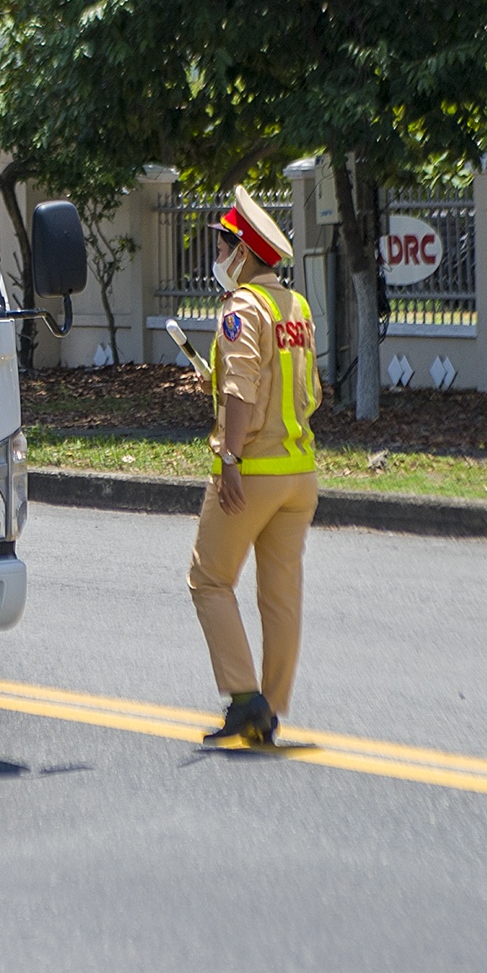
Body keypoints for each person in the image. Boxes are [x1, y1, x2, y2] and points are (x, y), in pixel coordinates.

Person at [189, 185, 321, 746]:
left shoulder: (243, 306)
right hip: (300, 474)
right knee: (280, 596)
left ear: (242, 252)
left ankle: (245, 699)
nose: (218, 256)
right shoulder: (296, 307)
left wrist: (231, 458)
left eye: (223, 247)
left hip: (255, 472)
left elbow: (242, 390)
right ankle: (271, 706)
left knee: (209, 580)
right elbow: (305, 390)